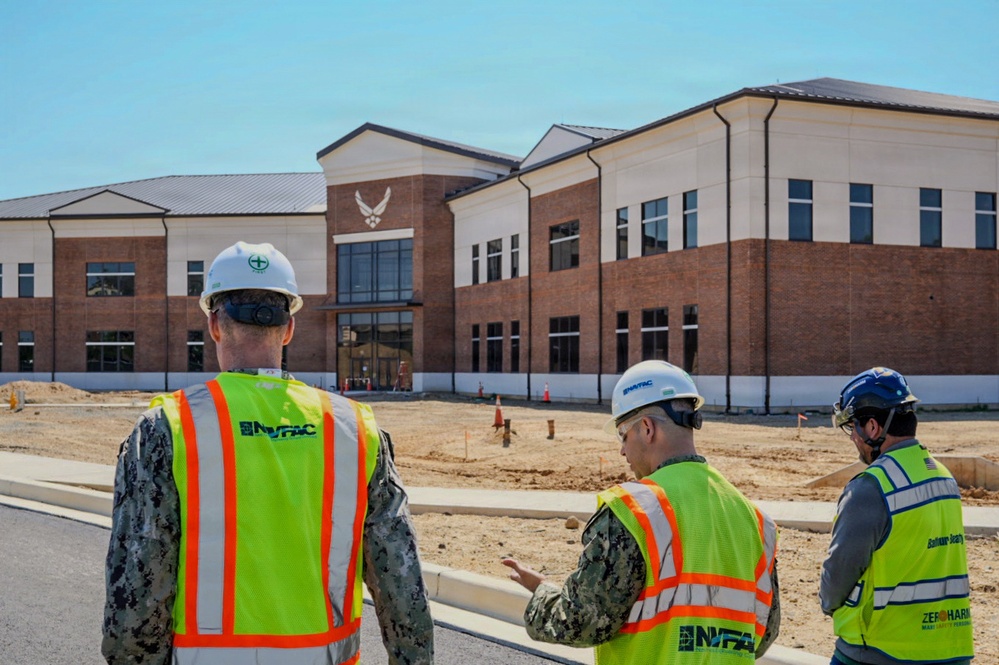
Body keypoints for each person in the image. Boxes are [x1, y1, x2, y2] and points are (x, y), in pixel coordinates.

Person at [102, 241, 434, 665]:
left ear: (215, 325)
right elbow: (402, 581)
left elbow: (137, 586)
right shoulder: (354, 428)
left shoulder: (168, 427)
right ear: (289, 328)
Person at [502, 360, 780, 663]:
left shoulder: (633, 510)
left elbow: (582, 621)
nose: (622, 450)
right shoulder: (755, 520)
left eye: (623, 434)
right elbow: (763, 632)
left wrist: (542, 593)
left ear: (646, 428)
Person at [822, 367, 973, 665]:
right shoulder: (944, 478)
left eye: (854, 427)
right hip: (950, 648)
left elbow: (840, 571)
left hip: (879, 649)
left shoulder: (871, 487)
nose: (853, 437)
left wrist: (829, 604)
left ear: (873, 427)